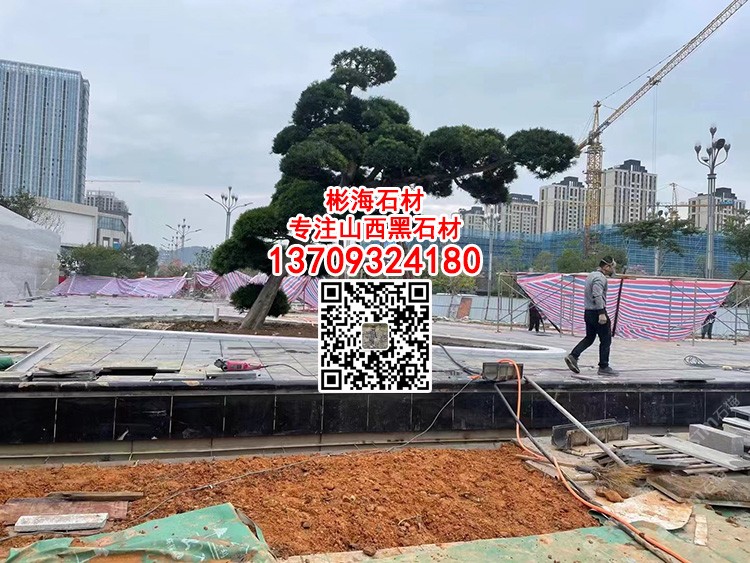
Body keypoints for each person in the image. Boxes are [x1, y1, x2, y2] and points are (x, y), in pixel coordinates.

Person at [564, 256, 618, 376]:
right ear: (606, 266)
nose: (613, 270)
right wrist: (601, 313)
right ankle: (604, 366)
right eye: (612, 267)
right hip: (597, 312)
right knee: (606, 340)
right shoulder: (600, 278)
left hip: (588, 312)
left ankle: (574, 356)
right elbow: (597, 295)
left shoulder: (591, 275)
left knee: (590, 337)